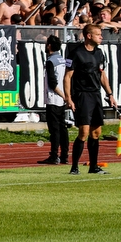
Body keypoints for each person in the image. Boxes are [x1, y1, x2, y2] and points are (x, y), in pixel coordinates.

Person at [64, 24, 118, 175]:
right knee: (84, 132)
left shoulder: (99, 53)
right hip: (82, 95)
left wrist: (110, 94)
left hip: (96, 95)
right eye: (98, 34)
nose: (101, 37)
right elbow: (67, 77)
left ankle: (93, 167)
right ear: (89, 36)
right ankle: (74, 167)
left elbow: (102, 75)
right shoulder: (76, 53)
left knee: (96, 133)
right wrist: (68, 97)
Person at [38, 35, 68, 165]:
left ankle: (54, 155)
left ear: (49, 45)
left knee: (54, 130)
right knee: (63, 128)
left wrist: (63, 95)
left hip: (54, 99)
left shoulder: (50, 61)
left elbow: (52, 83)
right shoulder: (63, 60)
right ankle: (65, 155)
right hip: (62, 101)